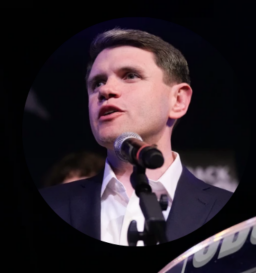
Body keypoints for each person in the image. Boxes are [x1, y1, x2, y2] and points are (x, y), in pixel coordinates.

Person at [40, 28, 232, 245]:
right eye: (97, 83)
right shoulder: (51, 204)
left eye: (130, 75)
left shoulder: (225, 209)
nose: (106, 90)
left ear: (178, 100)